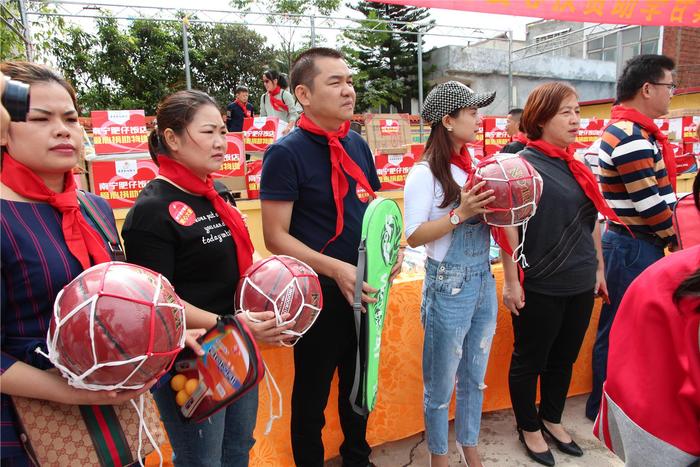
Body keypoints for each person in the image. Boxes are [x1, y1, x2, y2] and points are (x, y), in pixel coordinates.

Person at [122, 89, 294, 467]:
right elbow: (157, 303)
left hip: (237, 344)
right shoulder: (151, 212)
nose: (221, 142)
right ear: (172, 138)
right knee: (202, 459)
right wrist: (230, 323)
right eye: (209, 132)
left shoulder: (215, 192)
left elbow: (243, 255)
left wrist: (279, 282)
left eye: (223, 130)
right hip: (190, 358)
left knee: (238, 449)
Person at [0, 61, 154, 465]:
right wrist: (71, 391)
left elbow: (115, 304)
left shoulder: (96, 208)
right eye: (39, 118)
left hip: (115, 413)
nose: (62, 129)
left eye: (70, 117)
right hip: (26, 430)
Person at [260, 47, 402, 467]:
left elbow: (370, 211)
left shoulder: (356, 144)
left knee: (360, 384)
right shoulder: (285, 153)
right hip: (316, 296)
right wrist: (337, 269)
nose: (349, 91)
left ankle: (357, 457)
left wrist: (389, 252)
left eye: (350, 81)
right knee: (312, 396)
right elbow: (275, 237)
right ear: (303, 93)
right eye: (335, 82)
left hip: (364, 290)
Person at [501, 82, 618, 466]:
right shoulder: (520, 165)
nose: (575, 119)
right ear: (540, 117)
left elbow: (592, 221)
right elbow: (508, 227)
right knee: (530, 359)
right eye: (565, 111)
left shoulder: (578, 164)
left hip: (581, 278)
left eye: (577, 111)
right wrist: (512, 280)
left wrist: (599, 267)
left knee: (564, 358)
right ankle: (528, 426)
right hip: (542, 280)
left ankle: (551, 417)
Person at [403, 81, 497, 467]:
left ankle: (470, 447)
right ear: (447, 120)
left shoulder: (472, 166)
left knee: (475, 378)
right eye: (472, 112)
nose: (479, 119)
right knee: (440, 386)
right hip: (449, 285)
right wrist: (461, 213)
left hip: (482, 281)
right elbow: (412, 236)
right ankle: (438, 457)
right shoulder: (424, 173)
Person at [586, 54, 678, 421]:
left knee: (628, 328)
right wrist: (678, 238)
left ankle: (615, 406)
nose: (672, 94)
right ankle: (605, 409)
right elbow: (650, 204)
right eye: (670, 86)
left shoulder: (635, 131)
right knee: (620, 330)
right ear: (647, 88)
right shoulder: (631, 137)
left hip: (633, 244)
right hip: (634, 246)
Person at [595, 172, 700, 467]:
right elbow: (647, 198)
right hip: (635, 243)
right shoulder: (627, 137)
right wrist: (672, 232)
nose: (576, 121)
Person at [259, 69, 299, 136]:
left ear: (275, 81)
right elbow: (263, 116)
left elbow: (293, 114)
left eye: (267, 81)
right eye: (264, 82)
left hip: (285, 133)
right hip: (270, 133)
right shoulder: (264, 97)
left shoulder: (285, 95)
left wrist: (288, 127)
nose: (265, 84)